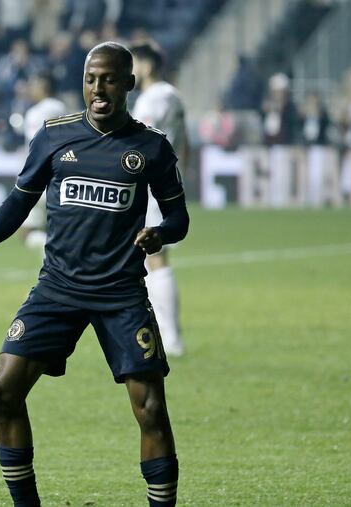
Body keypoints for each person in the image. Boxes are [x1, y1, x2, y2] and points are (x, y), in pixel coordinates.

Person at [0, 41, 188, 507]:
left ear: (129, 84)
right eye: (90, 79)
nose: (98, 89)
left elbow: (179, 218)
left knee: (151, 410)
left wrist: (160, 234)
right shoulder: (55, 136)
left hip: (120, 293)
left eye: (109, 80)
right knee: (2, 392)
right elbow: (19, 202)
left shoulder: (151, 147)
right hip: (57, 288)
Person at [131, 40, 188, 357]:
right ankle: (163, 332)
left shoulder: (151, 99)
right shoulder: (173, 95)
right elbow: (186, 143)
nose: (131, 71)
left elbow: (140, 143)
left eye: (135, 63)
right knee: (150, 259)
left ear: (148, 65)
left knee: (156, 259)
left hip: (150, 188)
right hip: (166, 183)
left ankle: (172, 336)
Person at [20, 73, 67, 250]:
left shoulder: (37, 112)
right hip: (58, 174)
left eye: (34, 84)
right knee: (56, 227)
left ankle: (58, 249)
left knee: (27, 233)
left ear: (43, 86)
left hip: (39, 176)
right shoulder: (61, 107)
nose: (31, 89)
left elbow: (36, 145)